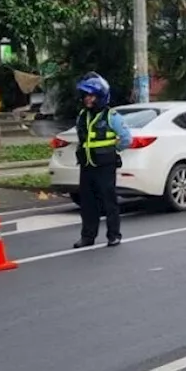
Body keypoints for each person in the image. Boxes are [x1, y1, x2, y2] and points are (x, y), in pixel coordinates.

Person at [72, 72, 133, 249]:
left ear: (100, 96)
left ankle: (114, 235)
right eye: (85, 96)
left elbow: (126, 139)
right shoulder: (82, 116)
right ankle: (87, 236)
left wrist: (112, 151)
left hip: (105, 166)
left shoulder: (111, 117)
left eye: (91, 96)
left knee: (109, 201)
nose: (87, 99)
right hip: (87, 165)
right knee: (87, 203)